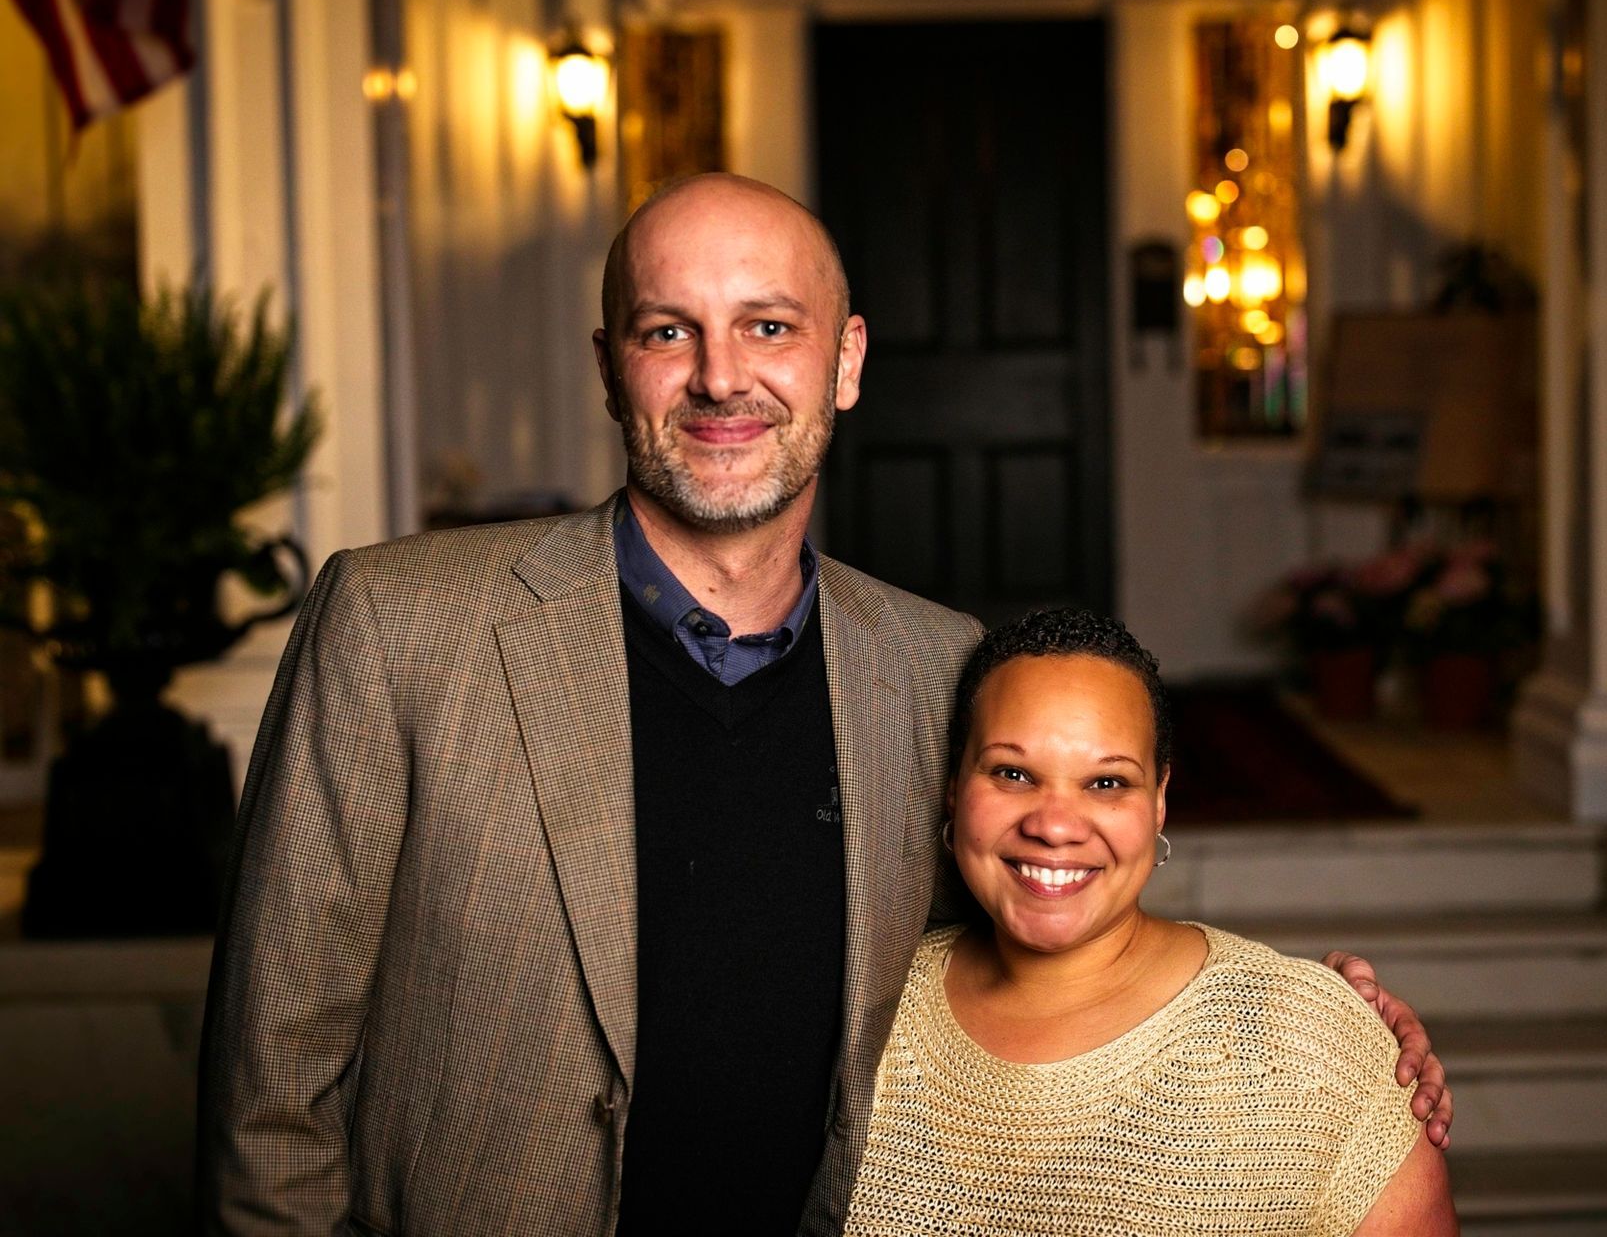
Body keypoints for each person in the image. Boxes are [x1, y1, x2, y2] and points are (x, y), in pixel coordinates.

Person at [196, 173, 1451, 1235]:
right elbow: (271, 1089)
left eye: (770, 328)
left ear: (845, 362)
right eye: (667, 330)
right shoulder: (397, 624)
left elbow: (1045, 910)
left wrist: (1312, 1027)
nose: (720, 378)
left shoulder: (933, 663)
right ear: (609, 364)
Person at [845, 608, 1457, 1235]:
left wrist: (1342, 1028)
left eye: (1107, 782)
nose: (1054, 825)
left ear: (1160, 800)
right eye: (1012, 773)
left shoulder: (1305, 1043)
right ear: (954, 788)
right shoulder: (858, 1009)